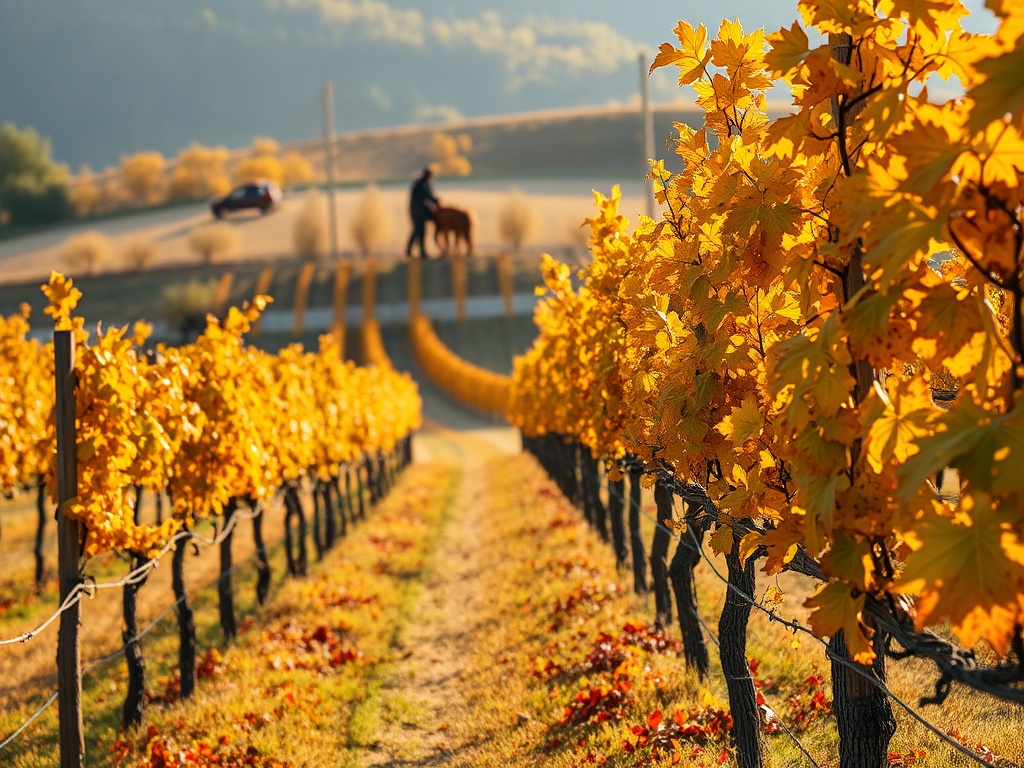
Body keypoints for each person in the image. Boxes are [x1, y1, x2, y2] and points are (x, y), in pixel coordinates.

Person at [406, 167, 439, 259]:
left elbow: (427, 196)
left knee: (419, 231)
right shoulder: (421, 184)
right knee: (419, 230)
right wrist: (435, 201)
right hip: (417, 212)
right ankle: (419, 252)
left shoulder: (423, 184)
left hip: (419, 211)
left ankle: (417, 251)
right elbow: (426, 196)